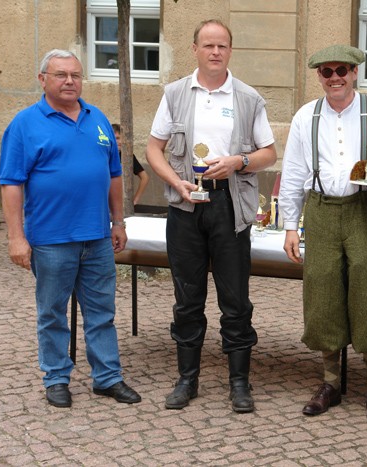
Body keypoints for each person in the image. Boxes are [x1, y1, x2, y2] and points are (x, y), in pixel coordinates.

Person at [279, 45, 367, 422]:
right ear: (319, 77)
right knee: (323, 292)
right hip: (322, 211)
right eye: (326, 72)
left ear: (355, 72)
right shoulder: (305, 117)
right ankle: (330, 381)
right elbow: (293, 174)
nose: (335, 78)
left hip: (365, 209)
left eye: (341, 70)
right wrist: (290, 226)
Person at [146, 19, 277, 412]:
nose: (215, 52)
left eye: (222, 46)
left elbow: (269, 153)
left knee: (235, 301)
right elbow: (154, 149)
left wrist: (238, 161)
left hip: (230, 207)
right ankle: (187, 380)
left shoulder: (249, 97)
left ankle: (239, 383)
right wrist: (176, 182)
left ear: (230, 51)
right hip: (186, 206)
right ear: (195, 49)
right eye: (208, 45)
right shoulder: (174, 93)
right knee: (187, 300)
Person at [0, 49, 141, 408]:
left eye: (75, 75)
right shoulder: (25, 124)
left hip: (96, 237)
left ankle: (107, 377)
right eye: (60, 75)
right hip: (50, 240)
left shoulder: (98, 119)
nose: (69, 81)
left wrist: (118, 220)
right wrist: (16, 237)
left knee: (102, 312)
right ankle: (57, 377)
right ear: (42, 79)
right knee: (52, 313)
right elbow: (11, 183)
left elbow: (114, 174)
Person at [111, 123, 150, 205]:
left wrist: (135, 199)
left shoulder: (128, 156)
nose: (121, 141)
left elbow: (145, 177)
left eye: (123, 138)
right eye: (117, 138)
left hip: (121, 202)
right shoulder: (104, 155)